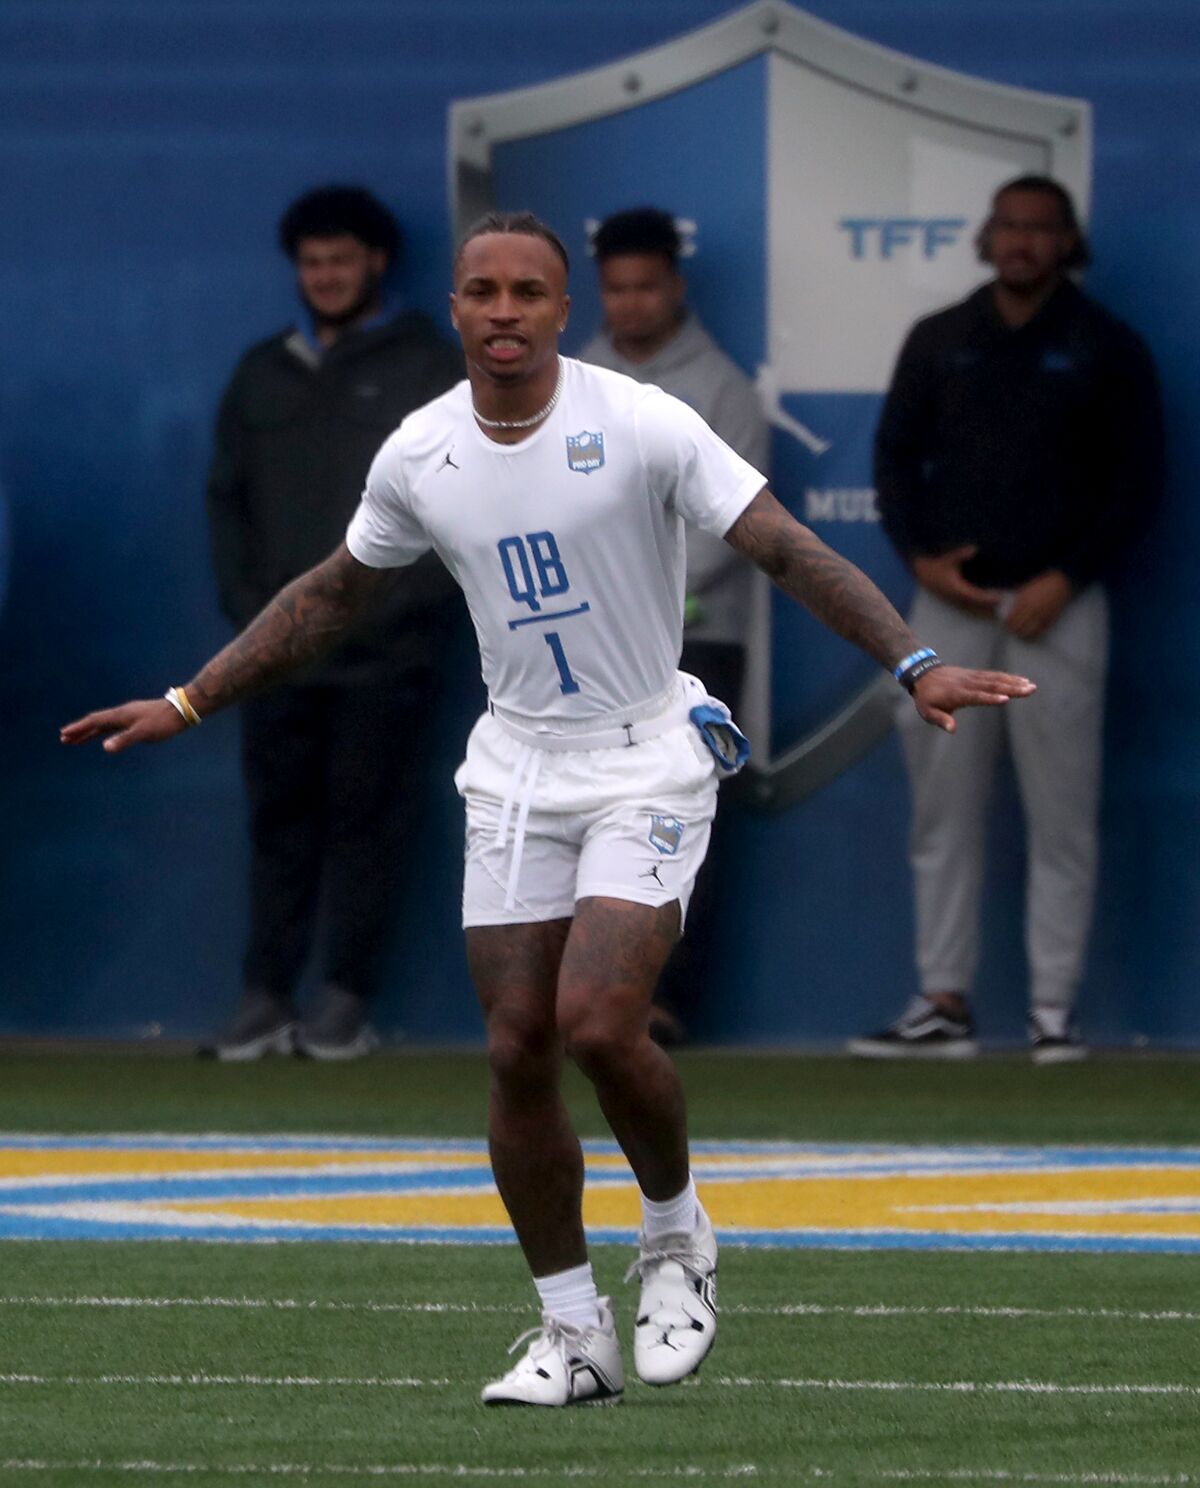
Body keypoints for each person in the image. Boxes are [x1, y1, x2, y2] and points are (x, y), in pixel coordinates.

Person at [63, 211, 1035, 1406]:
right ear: (459, 310)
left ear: (563, 311)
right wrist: (189, 697)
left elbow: (783, 545)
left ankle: (677, 1236)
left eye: (531, 291)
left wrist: (910, 663)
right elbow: (328, 596)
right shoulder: (419, 452)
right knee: (518, 1044)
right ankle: (572, 1335)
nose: (507, 310)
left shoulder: (640, 422)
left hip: (647, 757)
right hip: (517, 767)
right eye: (485, 291)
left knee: (596, 1023)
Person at [850, 175, 1164, 1066]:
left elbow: (1138, 481)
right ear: (986, 238)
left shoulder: (1107, 346)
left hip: (1059, 609)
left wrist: (1068, 577)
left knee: (1063, 815)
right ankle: (943, 1002)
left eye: (1042, 229)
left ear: (1068, 243)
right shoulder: (942, 339)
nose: (1024, 242)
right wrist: (920, 561)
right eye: (1010, 227)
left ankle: (1053, 1012)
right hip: (950, 608)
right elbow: (894, 460)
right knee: (942, 810)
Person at [203, 185, 462, 1061]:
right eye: (312, 264)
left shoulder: (430, 366)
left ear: (377, 263)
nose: (325, 277)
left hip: (388, 656)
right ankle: (264, 997)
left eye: (341, 261)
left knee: (368, 825)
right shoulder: (260, 372)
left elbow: (459, 506)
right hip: (276, 657)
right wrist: (256, 618)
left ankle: (344, 1000)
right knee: (277, 823)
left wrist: (387, 615)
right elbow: (226, 502)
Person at [580, 206, 768, 1045]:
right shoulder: (571, 377)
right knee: (585, 818)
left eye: (646, 286)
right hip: (584, 650)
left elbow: (739, 525)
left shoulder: (724, 387)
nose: (630, 303)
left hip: (697, 646)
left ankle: (663, 1000)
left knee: (677, 822)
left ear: (676, 287)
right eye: (615, 288)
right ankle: (586, 993)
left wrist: (636, 595)